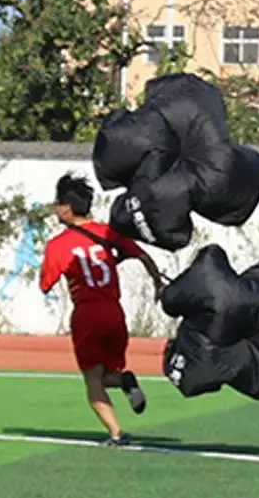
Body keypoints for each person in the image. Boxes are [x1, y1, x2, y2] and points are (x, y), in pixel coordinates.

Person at [38, 172, 166, 447]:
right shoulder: (108, 233)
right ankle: (124, 380)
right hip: (114, 312)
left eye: (57, 203)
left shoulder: (58, 245)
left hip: (87, 313)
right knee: (107, 373)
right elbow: (143, 255)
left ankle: (117, 433)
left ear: (66, 207)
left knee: (92, 381)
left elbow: (45, 284)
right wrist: (157, 283)